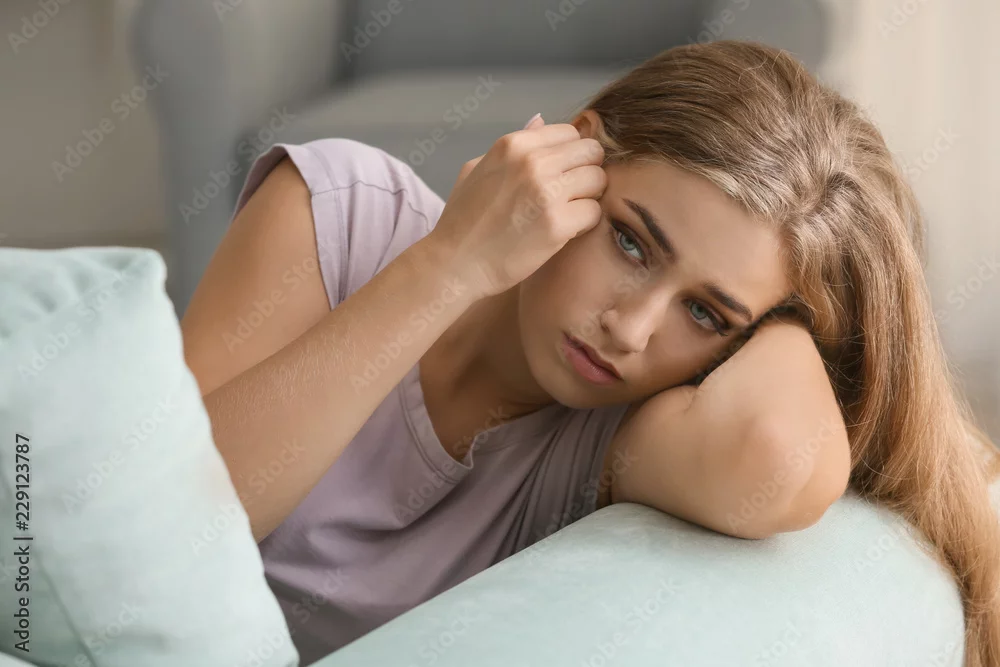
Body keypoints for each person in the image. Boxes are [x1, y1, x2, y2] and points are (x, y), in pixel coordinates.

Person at [180, 40, 1000, 666]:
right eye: (632, 243)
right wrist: (449, 267)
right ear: (569, 161)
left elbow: (778, 454)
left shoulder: (614, 438)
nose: (630, 329)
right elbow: (173, 523)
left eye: (705, 312)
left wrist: (797, 314)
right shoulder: (342, 213)